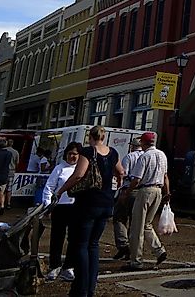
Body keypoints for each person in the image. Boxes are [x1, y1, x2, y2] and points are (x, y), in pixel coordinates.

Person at [56, 126, 124, 297]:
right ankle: (91, 286)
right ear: (104, 137)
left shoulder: (88, 152)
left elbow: (78, 175)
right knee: (94, 245)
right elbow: (121, 171)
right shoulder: (113, 152)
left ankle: (82, 287)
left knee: (81, 244)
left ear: (90, 137)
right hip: (106, 202)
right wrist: (118, 181)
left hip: (88, 203)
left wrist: (61, 191)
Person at [124, 131, 169, 271]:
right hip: (158, 191)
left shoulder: (144, 157)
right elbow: (166, 175)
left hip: (145, 191)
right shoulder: (162, 155)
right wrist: (167, 192)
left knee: (137, 227)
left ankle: (136, 261)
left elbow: (137, 179)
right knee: (147, 224)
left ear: (143, 143)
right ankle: (159, 250)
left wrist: (127, 192)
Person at [42, 141, 81, 282]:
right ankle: (54, 265)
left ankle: (69, 267)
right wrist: (48, 205)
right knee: (57, 237)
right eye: (70, 154)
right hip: (60, 207)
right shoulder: (59, 168)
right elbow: (49, 187)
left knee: (74, 238)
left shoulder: (81, 169)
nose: (72, 157)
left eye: (75, 154)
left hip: (76, 207)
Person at [112, 137, 144, 260]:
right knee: (135, 220)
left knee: (119, 217)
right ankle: (133, 247)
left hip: (128, 189)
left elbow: (123, 173)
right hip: (141, 191)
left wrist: (121, 189)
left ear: (132, 146)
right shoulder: (146, 156)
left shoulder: (129, 157)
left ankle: (123, 245)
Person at [3, 139, 20, 210]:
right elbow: (17, 162)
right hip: (11, 172)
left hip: (3, 171)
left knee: (2, 189)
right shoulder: (16, 152)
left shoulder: (3, 151)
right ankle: (9, 203)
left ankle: (1, 203)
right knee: (9, 189)